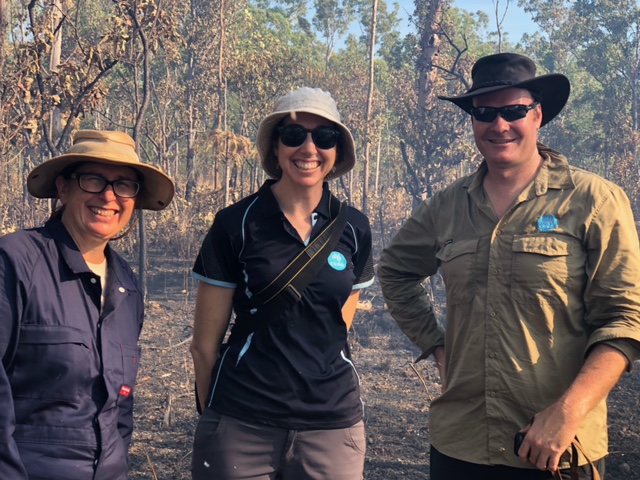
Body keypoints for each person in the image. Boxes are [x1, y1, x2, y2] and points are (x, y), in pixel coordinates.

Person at [377, 52, 640, 480]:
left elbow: (625, 320)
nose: (499, 125)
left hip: (557, 449)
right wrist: (437, 345)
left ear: (537, 115)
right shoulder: (447, 206)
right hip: (461, 443)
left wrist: (567, 412)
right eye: (484, 113)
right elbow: (395, 270)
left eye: (514, 111)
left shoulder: (593, 200)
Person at [190, 87, 374, 480]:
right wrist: (217, 421)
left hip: (331, 424)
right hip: (242, 421)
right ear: (274, 148)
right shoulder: (234, 223)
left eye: (324, 137)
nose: (308, 148)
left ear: (337, 150)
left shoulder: (355, 228)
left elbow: (335, 330)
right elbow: (204, 347)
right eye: (293, 136)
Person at [0, 130, 175, 480]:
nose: (109, 196)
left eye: (124, 185)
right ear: (63, 188)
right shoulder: (16, 261)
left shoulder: (127, 286)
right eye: (93, 180)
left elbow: (120, 407)